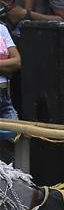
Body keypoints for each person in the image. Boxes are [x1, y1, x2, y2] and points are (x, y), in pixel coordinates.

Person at [0, 21, 21, 149]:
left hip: (4, 95)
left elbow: (17, 61)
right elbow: (11, 64)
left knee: (11, 135)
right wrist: (6, 66)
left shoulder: (1, 28)